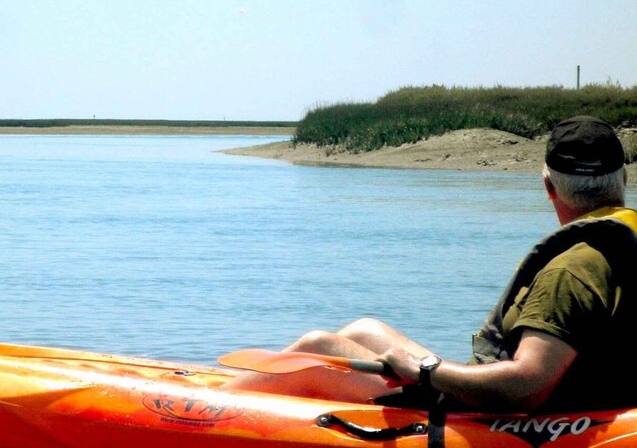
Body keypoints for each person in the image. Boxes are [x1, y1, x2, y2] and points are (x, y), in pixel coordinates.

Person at [225, 116, 637, 413]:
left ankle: (194, 417)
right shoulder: (622, 244)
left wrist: (427, 371)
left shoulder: (571, 271)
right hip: (548, 394)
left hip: (488, 413)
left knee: (316, 347)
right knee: (363, 330)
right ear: (622, 181)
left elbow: (526, 385)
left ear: (549, 188)